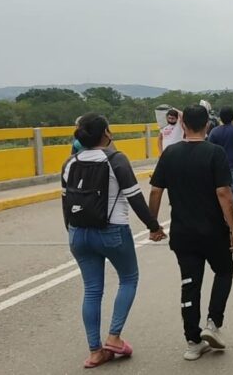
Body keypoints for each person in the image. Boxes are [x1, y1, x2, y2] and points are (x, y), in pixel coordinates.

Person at [61, 113, 163, 368]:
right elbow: (134, 197)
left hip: (78, 233)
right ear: (106, 132)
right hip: (112, 231)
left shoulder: (69, 162)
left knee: (92, 290)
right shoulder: (115, 160)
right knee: (129, 278)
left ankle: (95, 351)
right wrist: (154, 227)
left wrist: (72, 233)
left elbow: (65, 203)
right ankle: (114, 337)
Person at [149, 105, 233, 361]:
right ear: (207, 126)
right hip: (213, 232)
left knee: (190, 283)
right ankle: (213, 323)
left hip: (183, 233)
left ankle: (192, 341)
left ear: (183, 125)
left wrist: (153, 226)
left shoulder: (169, 154)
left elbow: (156, 191)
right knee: (224, 271)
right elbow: (224, 194)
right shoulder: (215, 153)